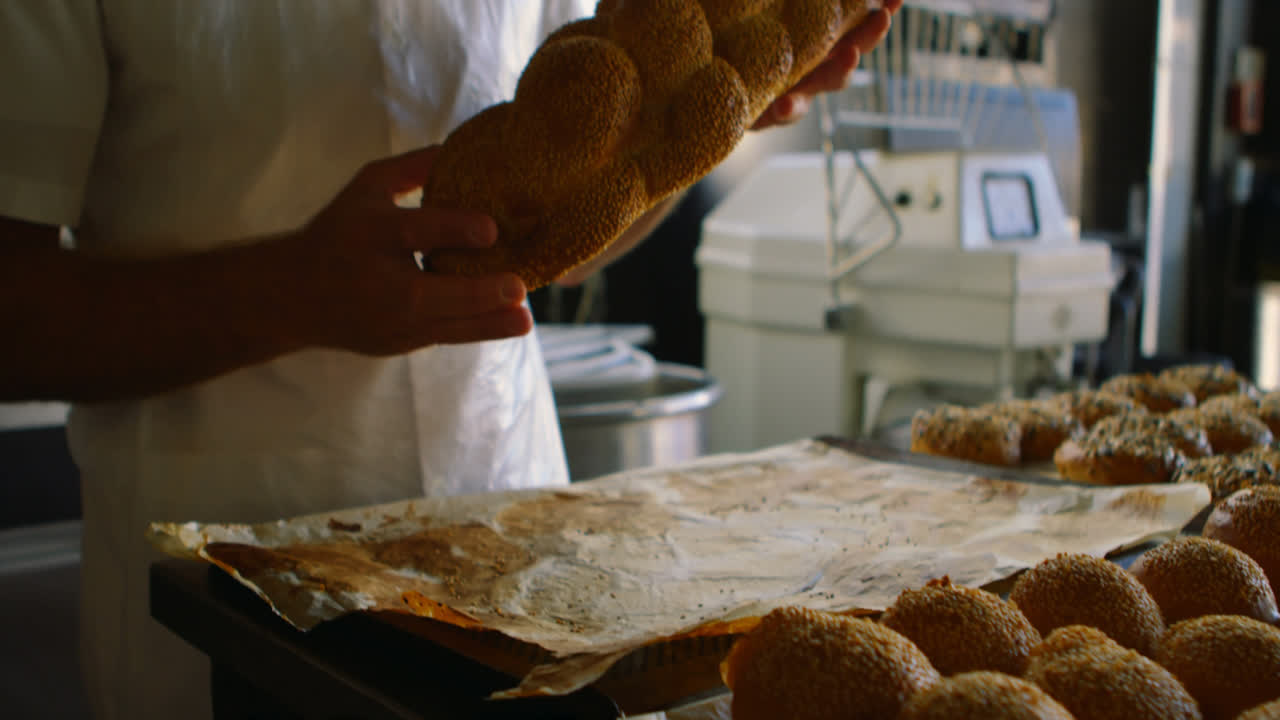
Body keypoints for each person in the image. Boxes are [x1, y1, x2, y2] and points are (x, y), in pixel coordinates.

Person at [0, 1, 899, 717]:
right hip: (227, 601)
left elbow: (559, 224)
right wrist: (287, 294)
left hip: (522, 577)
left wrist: (702, 126)